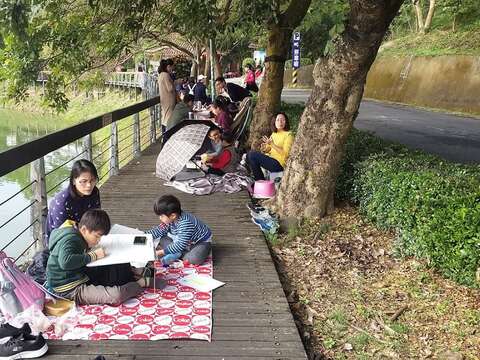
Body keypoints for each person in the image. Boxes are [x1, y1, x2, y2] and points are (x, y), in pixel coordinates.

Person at [46, 209, 162, 305]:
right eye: (97, 237)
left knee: (115, 264)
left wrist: (93, 255)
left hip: (81, 274)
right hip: (69, 289)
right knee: (116, 296)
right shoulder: (70, 240)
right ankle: (140, 283)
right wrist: (93, 255)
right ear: (84, 229)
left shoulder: (78, 235)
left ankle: (135, 272)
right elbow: (65, 262)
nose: (98, 241)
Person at [145, 195, 212, 266]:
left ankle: (178, 253)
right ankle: (176, 252)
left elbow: (180, 244)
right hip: (182, 241)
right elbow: (159, 230)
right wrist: (144, 235)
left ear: (173, 215)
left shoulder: (186, 223)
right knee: (162, 238)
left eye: (162, 216)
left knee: (195, 259)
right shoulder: (170, 219)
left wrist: (160, 252)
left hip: (199, 243)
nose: (160, 218)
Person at [246, 112, 294, 180]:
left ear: (286, 122)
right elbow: (270, 149)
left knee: (252, 155)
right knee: (250, 155)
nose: (280, 122)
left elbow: (286, 154)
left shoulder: (289, 135)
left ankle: (260, 181)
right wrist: (265, 148)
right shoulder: (274, 134)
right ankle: (260, 181)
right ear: (274, 122)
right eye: (278, 120)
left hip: (279, 164)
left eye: (283, 120)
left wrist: (272, 144)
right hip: (271, 161)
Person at [158, 58, 176, 133]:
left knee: (165, 117)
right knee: (168, 118)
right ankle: (166, 135)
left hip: (165, 100)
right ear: (168, 66)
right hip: (168, 101)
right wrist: (176, 82)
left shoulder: (161, 75)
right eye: (172, 67)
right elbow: (170, 88)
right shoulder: (166, 75)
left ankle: (165, 134)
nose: (172, 69)